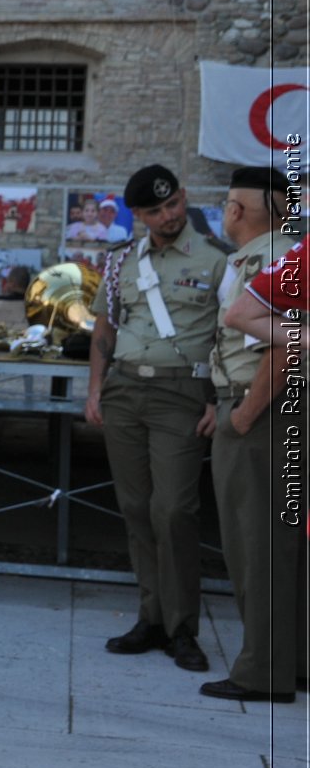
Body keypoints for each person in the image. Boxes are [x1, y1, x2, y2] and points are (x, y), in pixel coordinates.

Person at [86, 164, 228, 673]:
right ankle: (150, 616)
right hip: (125, 388)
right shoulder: (122, 260)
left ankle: (183, 627)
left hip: (181, 393)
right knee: (137, 508)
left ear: (184, 198)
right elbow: (105, 324)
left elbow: (227, 336)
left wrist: (218, 398)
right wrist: (96, 389)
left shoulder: (216, 261)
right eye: (155, 210)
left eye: (173, 205)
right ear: (139, 215)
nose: (168, 216)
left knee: (174, 510)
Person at [203, 167, 303, 703]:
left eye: (226, 205)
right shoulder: (282, 254)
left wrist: (242, 416)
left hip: (263, 412)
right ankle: (294, 661)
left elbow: (284, 346)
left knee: (256, 544)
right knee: (286, 545)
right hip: (273, 407)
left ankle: (262, 670)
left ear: (237, 210)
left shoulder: (267, 261)